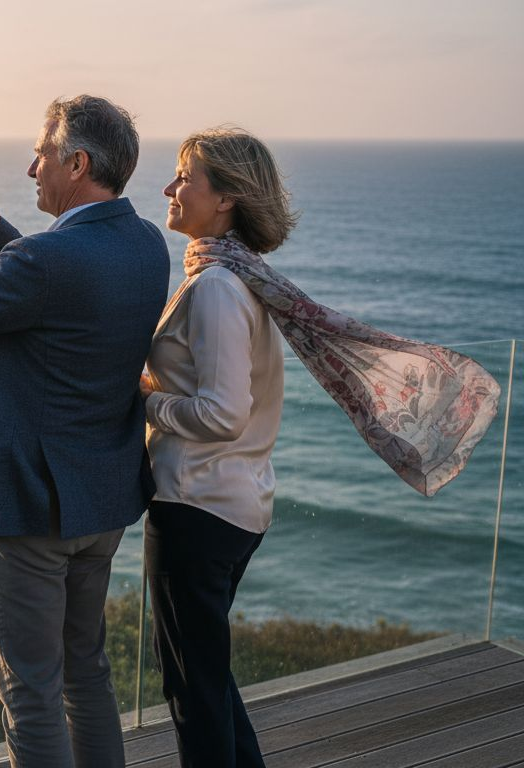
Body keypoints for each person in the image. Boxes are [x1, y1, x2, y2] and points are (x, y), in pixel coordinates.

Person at [141, 127, 501, 768]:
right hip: (230, 504)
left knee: (192, 690)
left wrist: (143, 403)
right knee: (207, 679)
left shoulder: (218, 287)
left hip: (198, 505)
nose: (170, 188)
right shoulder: (239, 277)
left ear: (225, 198)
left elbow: (223, 414)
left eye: (185, 177)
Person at [0, 95, 170, 767]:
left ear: (77, 164)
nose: (31, 168)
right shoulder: (145, 244)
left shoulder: (47, 260)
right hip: (101, 505)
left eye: (42, 154)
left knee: (31, 694)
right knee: (86, 673)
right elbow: (59, 286)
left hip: (29, 512)